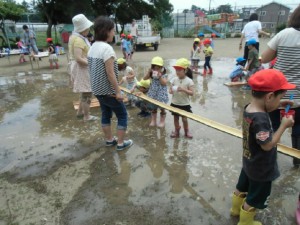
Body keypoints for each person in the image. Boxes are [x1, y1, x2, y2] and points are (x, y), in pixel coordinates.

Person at [230, 69, 295, 225]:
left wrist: (279, 104)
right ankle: (245, 222)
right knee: (254, 198)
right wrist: (284, 126)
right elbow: (267, 146)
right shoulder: (261, 119)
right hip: (261, 168)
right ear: (270, 96)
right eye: (280, 97)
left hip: (249, 160)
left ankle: (235, 210)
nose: (281, 100)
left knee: (242, 187)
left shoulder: (248, 108)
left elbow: (266, 104)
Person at [261, 5, 300, 166]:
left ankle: (271, 158)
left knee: (274, 126)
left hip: (279, 94)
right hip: (299, 96)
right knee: (298, 129)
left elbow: (264, 58)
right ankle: (297, 160)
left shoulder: (283, 35)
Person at [88, 16, 133, 151]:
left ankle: (109, 140)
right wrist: (118, 91)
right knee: (122, 115)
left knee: (105, 114)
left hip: (98, 91)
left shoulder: (92, 47)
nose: (114, 33)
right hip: (109, 92)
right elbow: (110, 73)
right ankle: (120, 143)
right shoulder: (107, 49)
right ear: (106, 31)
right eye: (113, 30)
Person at [68, 14, 97, 122]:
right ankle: (87, 116)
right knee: (87, 93)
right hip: (82, 68)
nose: (89, 29)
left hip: (81, 67)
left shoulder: (75, 37)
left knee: (84, 92)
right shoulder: (79, 40)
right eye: (87, 27)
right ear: (83, 28)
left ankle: (80, 112)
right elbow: (79, 58)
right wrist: (93, 63)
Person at [169, 58, 194, 138]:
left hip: (184, 104)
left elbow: (192, 93)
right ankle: (177, 130)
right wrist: (171, 91)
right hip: (175, 102)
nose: (177, 72)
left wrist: (183, 89)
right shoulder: (174, 79)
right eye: (176, 70)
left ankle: (186, 131)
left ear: (185, 70)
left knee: (184, 119)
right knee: (175, 118)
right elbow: (170, 89)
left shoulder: (189, 81)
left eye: (179, 70)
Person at [143, 56, 168, 127]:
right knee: (153, 107)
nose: (156, 69)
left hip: (161, 94)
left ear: (162, 68)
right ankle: (153, 120)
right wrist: (148, 72)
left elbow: (164, 83)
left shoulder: (164, 74)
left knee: (162, 108)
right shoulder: (151, 73)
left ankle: (162, 121)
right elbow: (144, 78)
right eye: (154, 68)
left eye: (158, 68)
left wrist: (160, 77)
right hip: (153, 93)